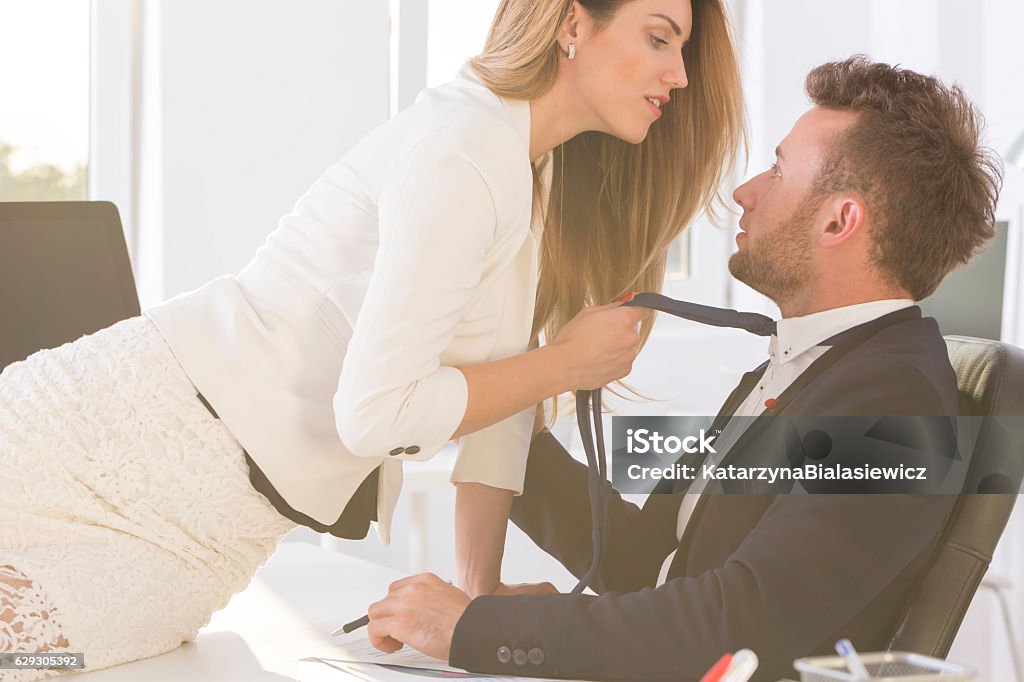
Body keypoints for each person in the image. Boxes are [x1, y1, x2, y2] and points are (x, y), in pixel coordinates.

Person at [0, 0, 744, 677]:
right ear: (572, 25)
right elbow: (377, 412)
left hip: (208, 529)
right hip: (107, 445)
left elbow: (501, 411)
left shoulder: (524, 166)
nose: (677, 75)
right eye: (657, 38)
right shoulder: (467, 149)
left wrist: (477, 602)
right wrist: (561, 365)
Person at [362, 56, 1003, 682]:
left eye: (778, 171)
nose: (744, 191)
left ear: (840, 220)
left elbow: (732, 629)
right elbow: (653, 561)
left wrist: (474, 630)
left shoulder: (899, 404)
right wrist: (513, 409)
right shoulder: (806, 369)